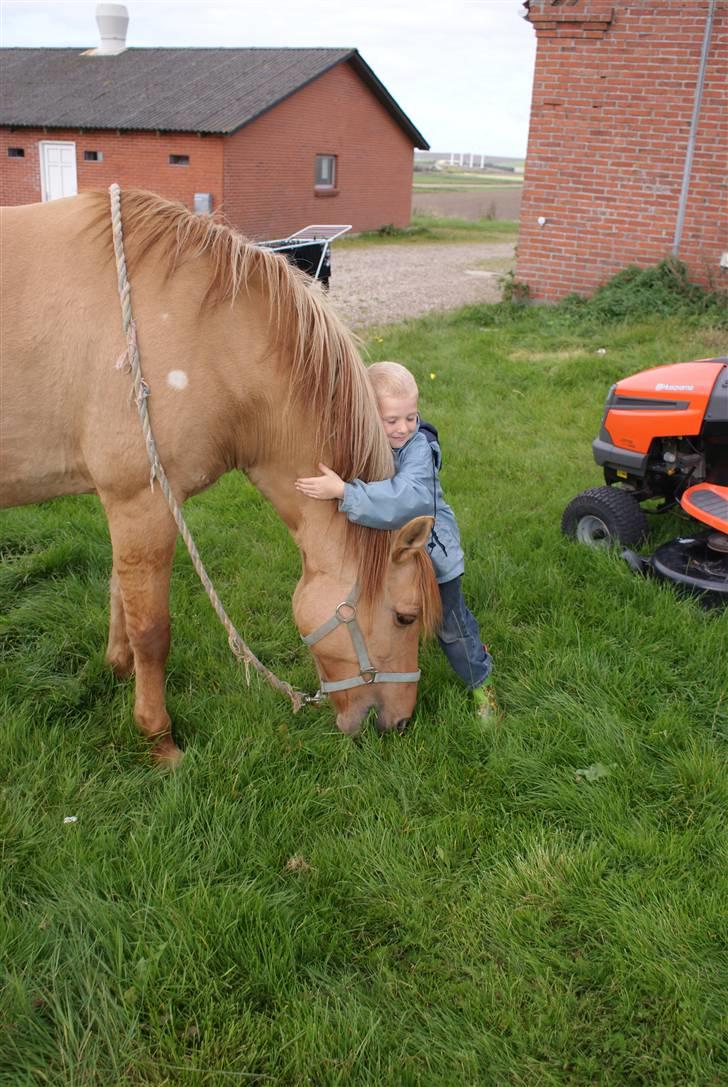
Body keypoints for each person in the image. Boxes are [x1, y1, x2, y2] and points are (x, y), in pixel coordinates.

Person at [294, 361, 497, 719]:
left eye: (411, 417)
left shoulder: (419, 448)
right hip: (390, 557)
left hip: (431, 553)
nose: (404, 428)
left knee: (451, 627)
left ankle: (482, 686)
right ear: (368, 415)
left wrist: (343, 491)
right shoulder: (363, 440)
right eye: (392, 420)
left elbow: (410, 498)